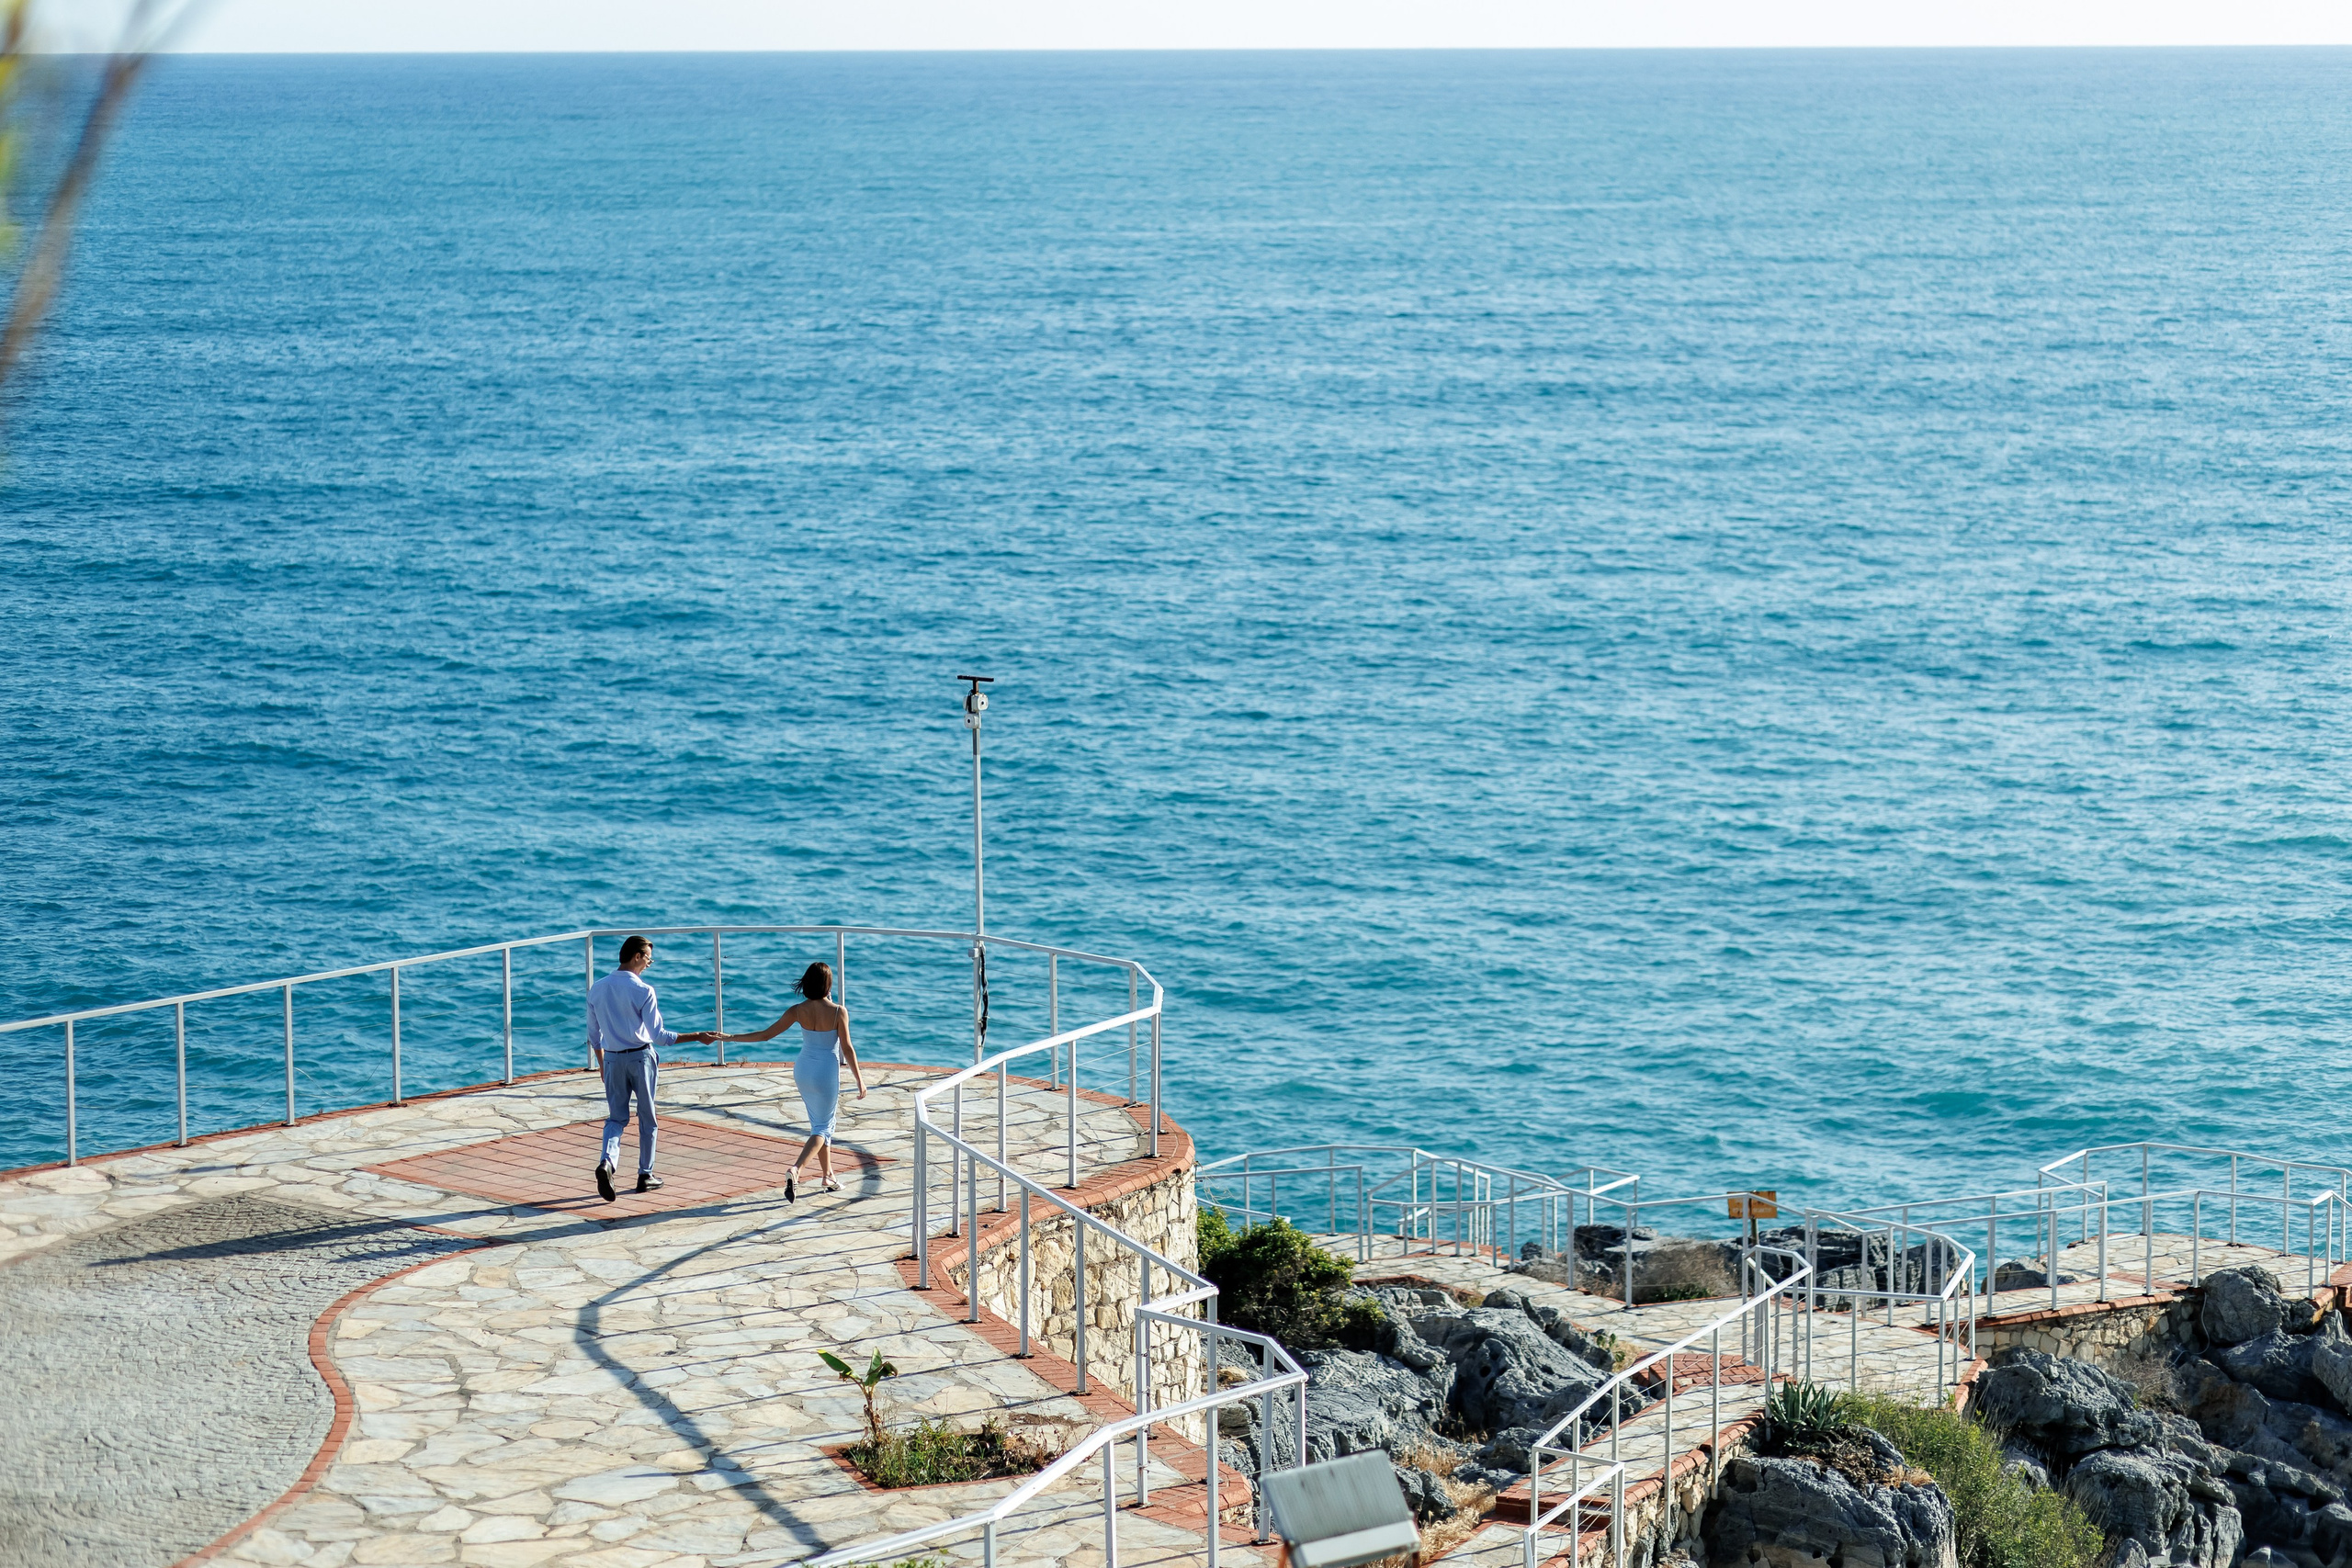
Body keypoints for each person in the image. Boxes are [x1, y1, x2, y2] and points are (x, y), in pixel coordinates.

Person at [717, 960, 865, 1201]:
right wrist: (860, 1080)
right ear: (828, 984)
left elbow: (765, 1035)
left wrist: (730, 1037)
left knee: (820, 1124)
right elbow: (847, 1048)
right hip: (826, 1072)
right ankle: (796, 1171)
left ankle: (828, 1176)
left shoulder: (797, 1010)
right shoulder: (839, 1011)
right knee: (823, 1128)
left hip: (803, 1070)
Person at [586, 934, 716, 1201]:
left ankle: (608, 1163)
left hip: (611, 1059)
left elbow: (593, 1036)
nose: (648, 964)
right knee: (648, 1117)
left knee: (616, 1119)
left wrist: (602, 1065)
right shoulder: (644, 991)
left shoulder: (596, 989)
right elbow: (660, 1037)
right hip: (640, 1058)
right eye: (648, 958)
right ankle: (645, 1174)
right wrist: (698, 1036)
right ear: (637, 956)